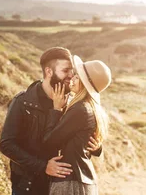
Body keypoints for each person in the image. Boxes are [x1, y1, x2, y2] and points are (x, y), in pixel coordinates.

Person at [0, 47, 102, 195]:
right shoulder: (23, 102)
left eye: (72, 71)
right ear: (49, 72)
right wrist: (42, 166)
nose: (71, 76)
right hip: (29, 186)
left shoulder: (73, 103)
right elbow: (6, 144)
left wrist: (97, 147)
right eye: (65, 71)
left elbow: (83, 134)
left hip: (61, 186)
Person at [42, 55, 112, 195]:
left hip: (71, 183)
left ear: (85, 84)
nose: (72, 78)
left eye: (77, 77)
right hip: (82, 181)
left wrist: (56, 110)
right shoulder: (90, 108)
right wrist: (97, 149)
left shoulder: (80, 109)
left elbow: (49, 142)